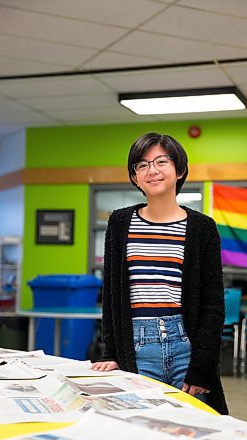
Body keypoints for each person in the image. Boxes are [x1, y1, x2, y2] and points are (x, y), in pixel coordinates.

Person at [92, 132, 228, 415]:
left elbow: (213, 305)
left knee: (194, 428)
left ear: (179, 170)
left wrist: (202, 366)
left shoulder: (202, 228)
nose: (151, 170)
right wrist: (112, 353)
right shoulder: (120, 222)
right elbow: (112, 295)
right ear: (134, 177)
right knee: (143, 428)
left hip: (185, 346)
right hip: (138, 345)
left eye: (161, 162)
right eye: (142, 165)